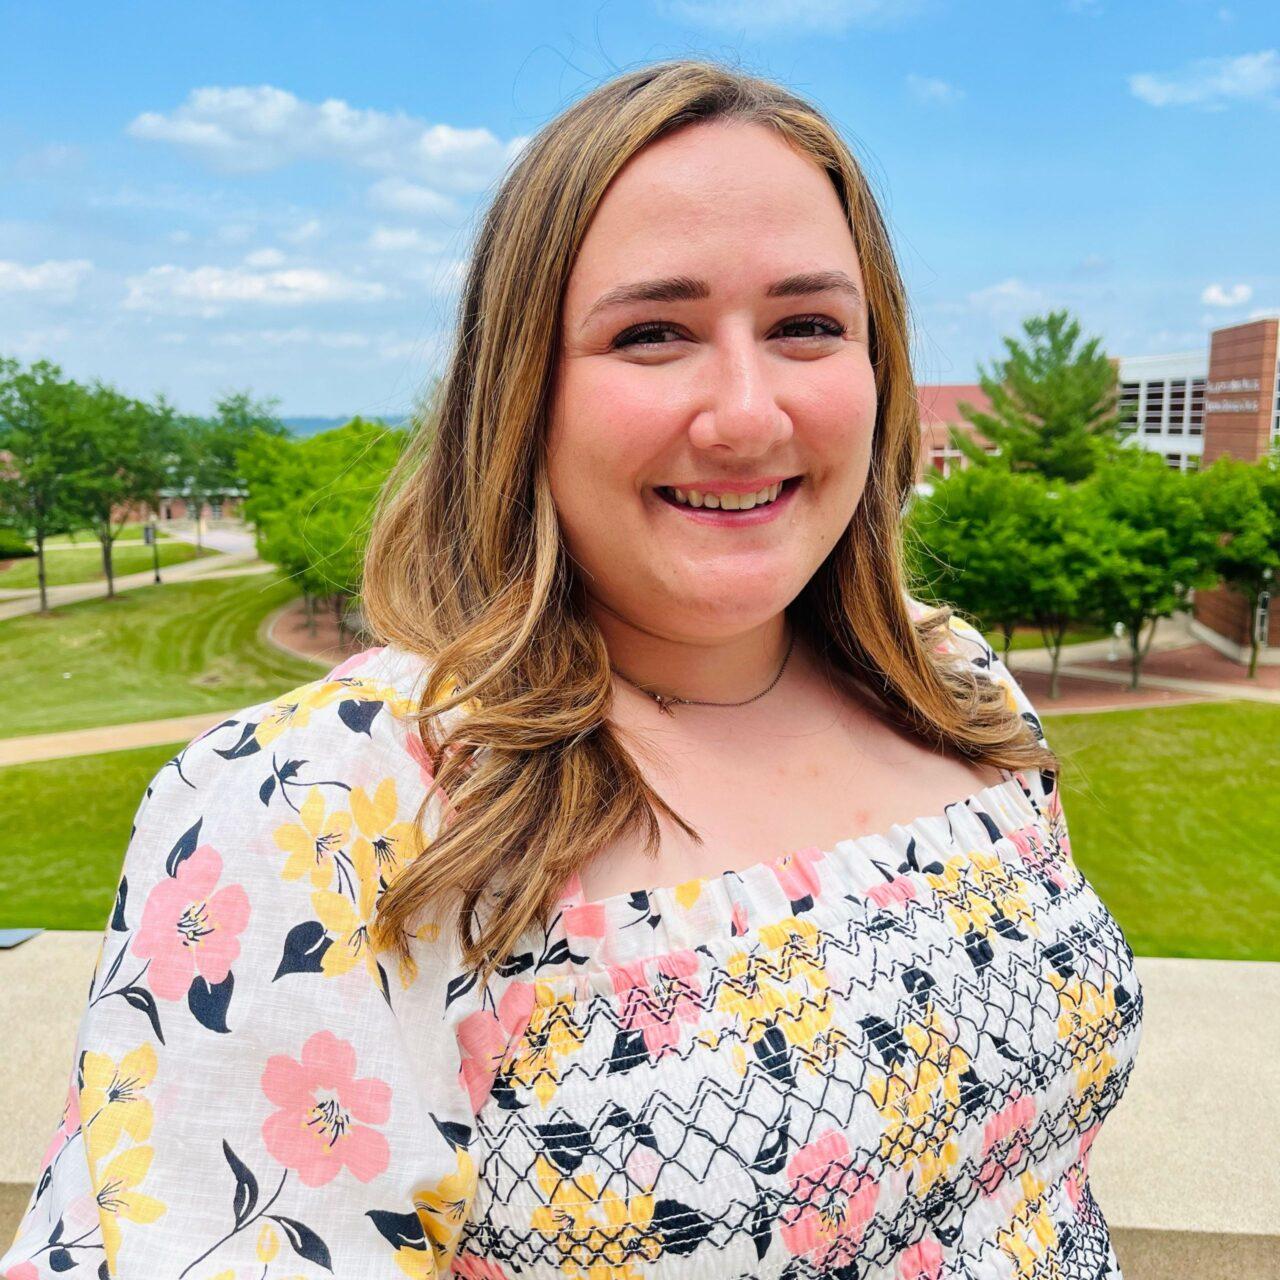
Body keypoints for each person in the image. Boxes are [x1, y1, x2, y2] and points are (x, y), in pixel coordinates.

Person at [1, 59, 1144, 1280]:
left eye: (808, 325)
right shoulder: (321, 807)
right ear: (520, 389)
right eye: (652, 332)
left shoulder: (950, 683)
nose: (747, 413)